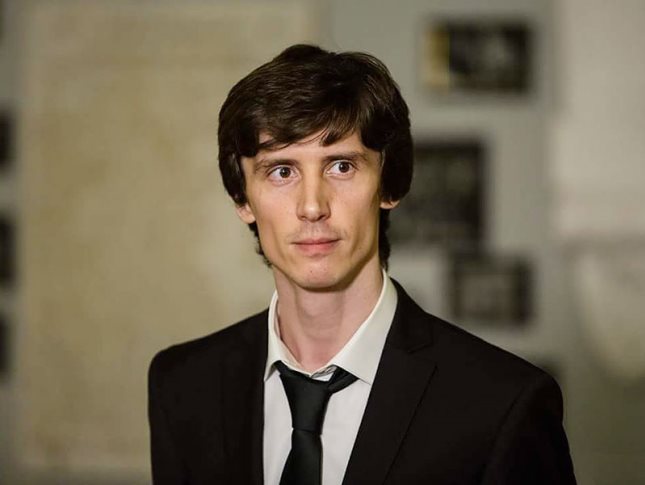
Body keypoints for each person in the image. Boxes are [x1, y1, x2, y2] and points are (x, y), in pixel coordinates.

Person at [148, 44, 576, 485]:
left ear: (389, 186)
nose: (312, 207)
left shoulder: (503, 404)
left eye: (341, 166)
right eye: (282, 171)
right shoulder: (182, 386)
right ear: (242, 199)